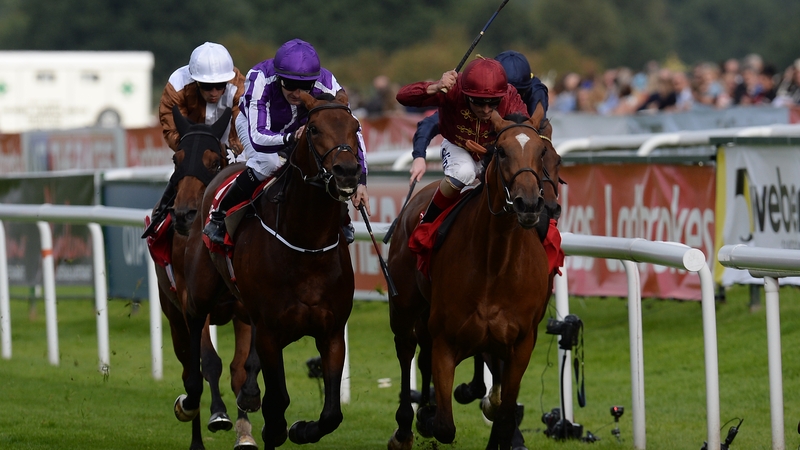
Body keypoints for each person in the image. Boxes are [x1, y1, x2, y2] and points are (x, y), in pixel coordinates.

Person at [203, 38, 370, 245]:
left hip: (299, 124)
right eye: (290, 85)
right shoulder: (260, 78)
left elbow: (354, 130)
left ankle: (340, 217)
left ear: (314, 81)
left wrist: (361, 180)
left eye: (305, 87)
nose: (297, 93)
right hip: (255, 125)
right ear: (279, 78)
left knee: (321, 162)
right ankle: (219, 215)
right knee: (269, 163)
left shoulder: (328, 82)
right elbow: (258, 137)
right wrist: (291, 138)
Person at [395, 56, 528, 224]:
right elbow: (402, 97)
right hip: (458, 146)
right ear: (466, 95)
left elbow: (526, 133)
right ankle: (428, 222)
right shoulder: (452, 91)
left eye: (493, 103)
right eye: (478, 102)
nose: (486, 110)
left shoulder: (510, 96)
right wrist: (436, 87)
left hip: (493, 152)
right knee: (463, 173)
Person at [143, 41, 245, 238]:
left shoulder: (240, 86)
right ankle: (160, 225)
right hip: (191, 148)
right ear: (195, 80)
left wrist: (233, 150)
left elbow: (243, 125)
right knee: (175, 191)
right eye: (207, 87)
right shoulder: (177, 85)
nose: (214, 92)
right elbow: (172, 130)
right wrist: (191, 152)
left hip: (229, 150)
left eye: (220, 86)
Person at [407, 50, 547, 185]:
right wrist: (419, 156)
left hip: (500, 151)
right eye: (482, 100)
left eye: (494, 100)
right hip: (462, 151)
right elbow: (429, 123)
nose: (487, 107)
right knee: (464, 174)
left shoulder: (533, 94)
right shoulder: (458, 96)